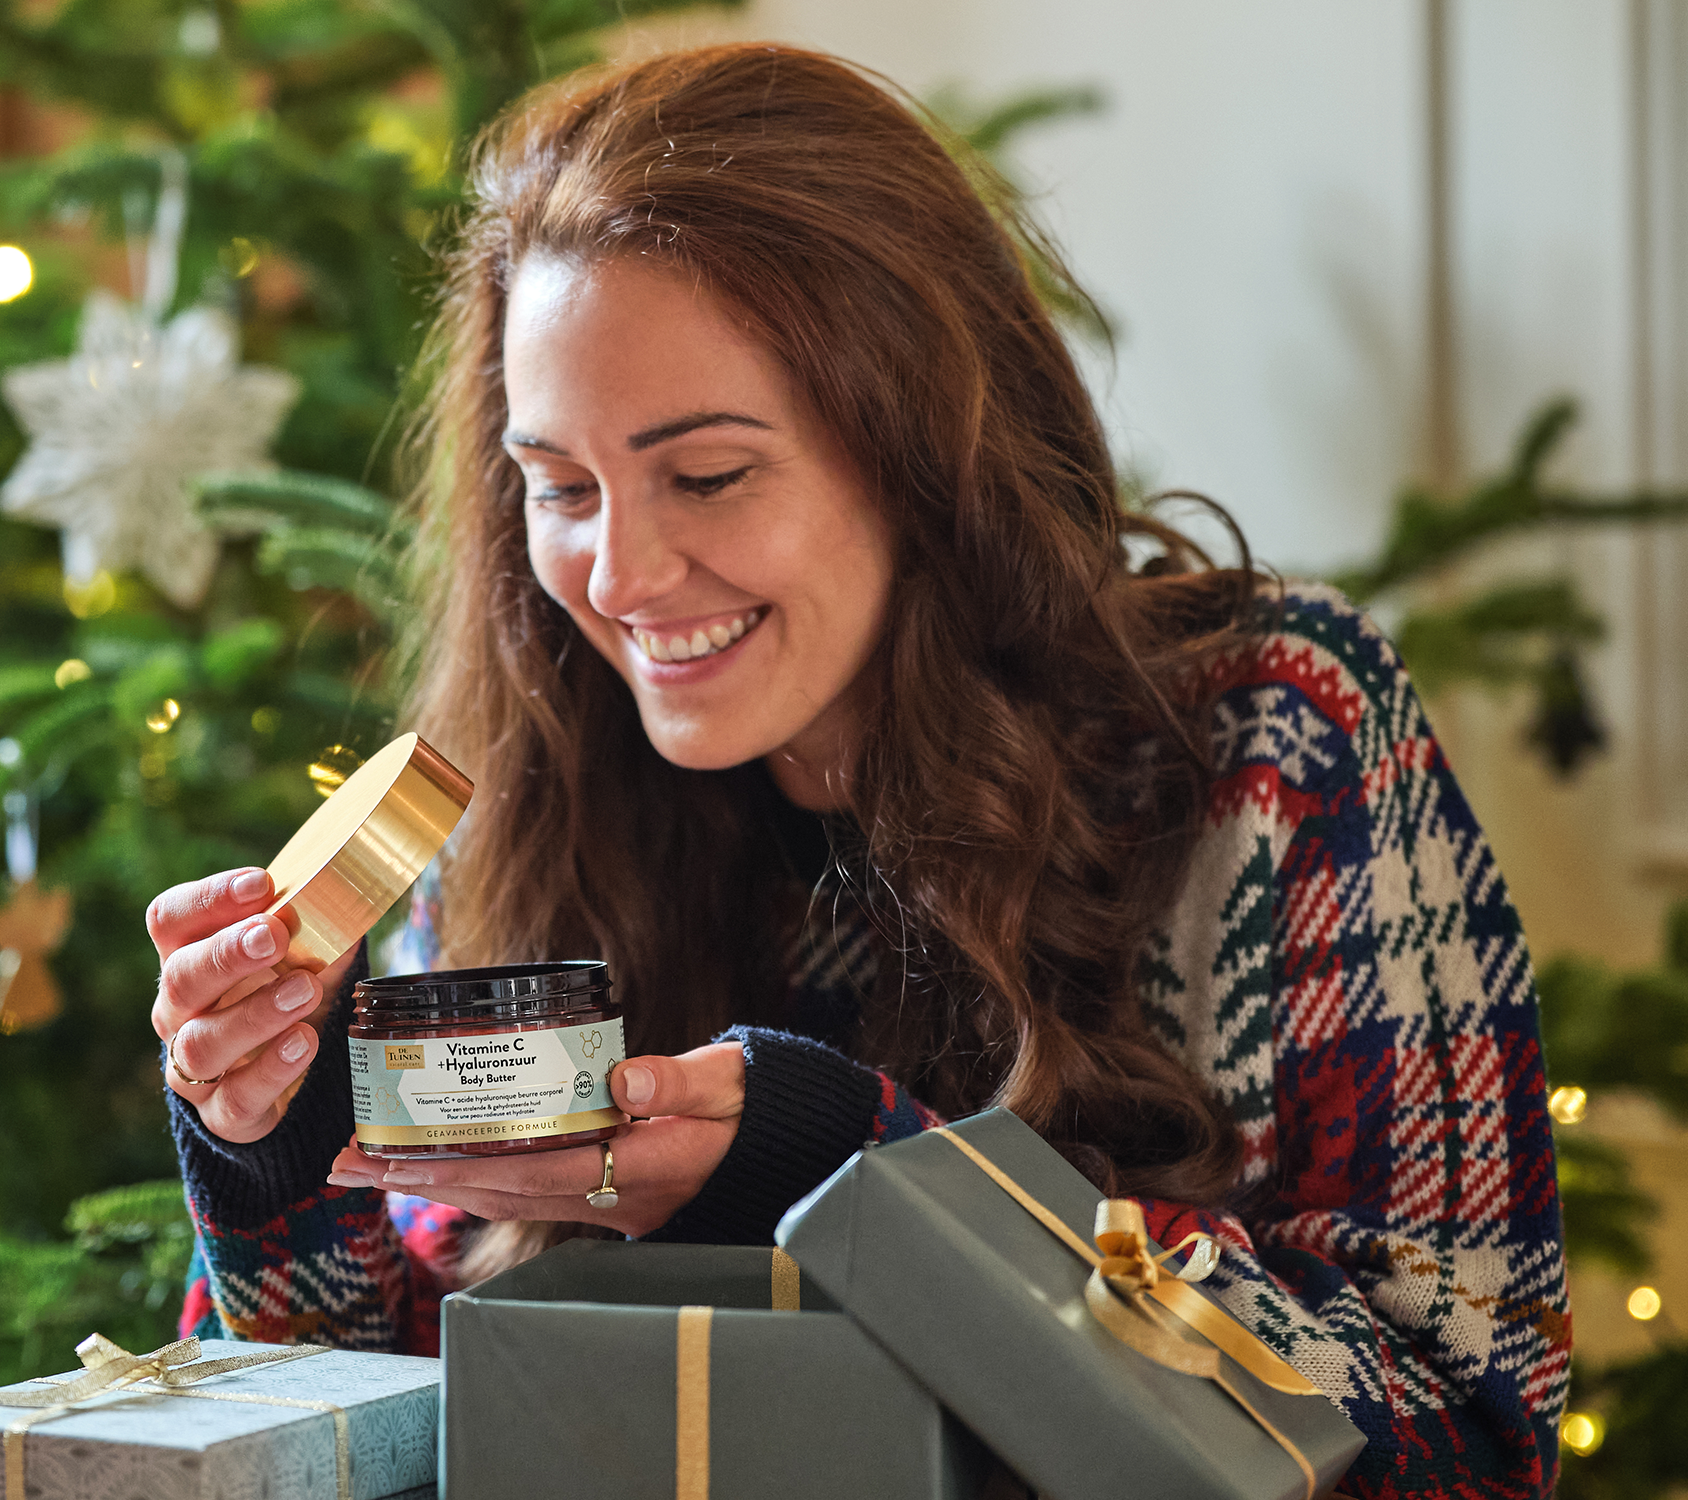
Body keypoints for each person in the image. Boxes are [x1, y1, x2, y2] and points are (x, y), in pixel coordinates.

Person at [145, 43, 1567, 1498]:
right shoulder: (535, 799)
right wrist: (274, 1155)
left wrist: (854, 1178)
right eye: (561, 488)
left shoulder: (1269, 739)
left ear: (922, 449)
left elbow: (1468, 1437)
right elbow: (400, 1436)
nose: (621, 574)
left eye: (707, 475)